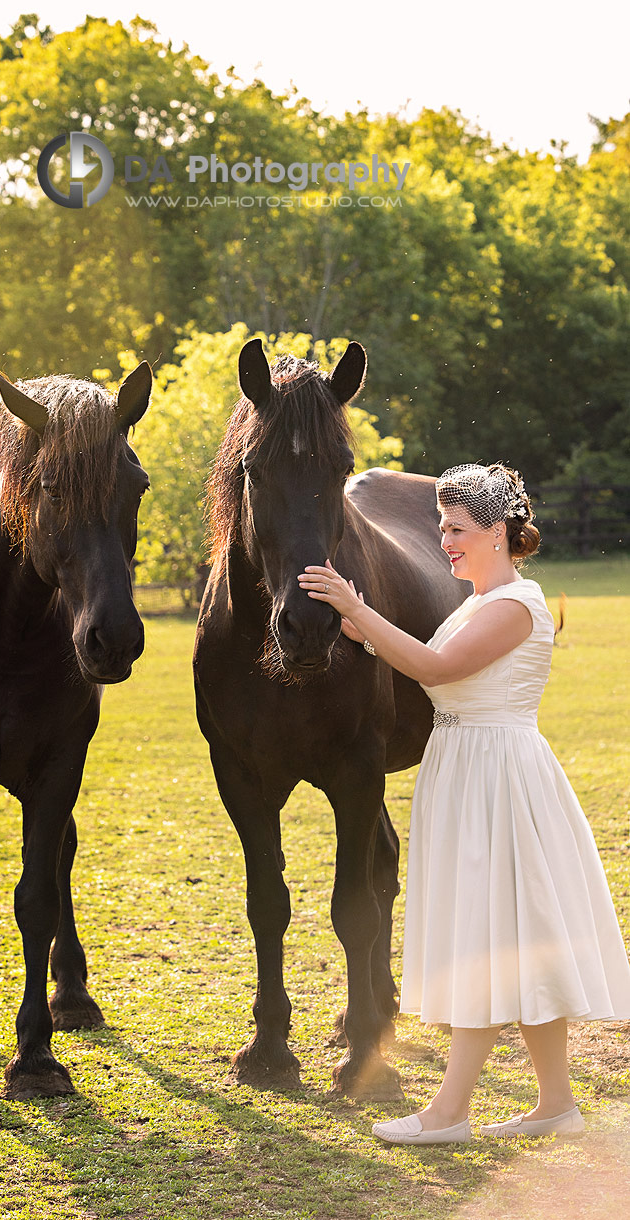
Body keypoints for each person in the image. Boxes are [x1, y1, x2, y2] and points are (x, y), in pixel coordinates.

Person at [298, 462, 630, 1145]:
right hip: (468, 770)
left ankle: (448, 1112)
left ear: (499, 533)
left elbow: (433, 669)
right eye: (440, 526)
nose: (443, 540)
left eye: (455, 528)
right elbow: (422, 654)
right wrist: (355, 623)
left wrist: (358, 609)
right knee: (514, 938)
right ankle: (555, 1104)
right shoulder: (476, 603)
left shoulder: (514, 605)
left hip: (497, 779)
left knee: (485, 936)